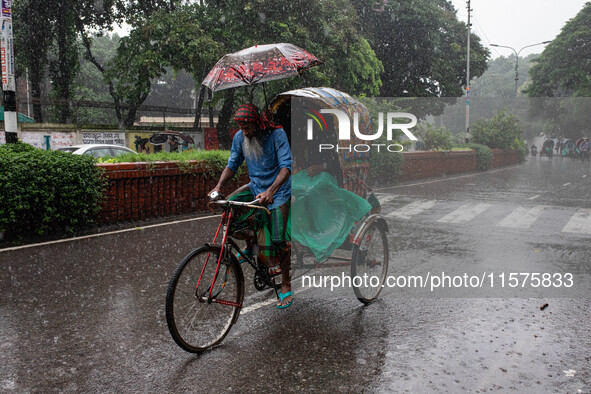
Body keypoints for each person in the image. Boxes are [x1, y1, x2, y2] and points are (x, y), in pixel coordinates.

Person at [209, 103, 293, 308]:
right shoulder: (240, 138)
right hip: (255, 186)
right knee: (230, 213)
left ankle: (286, 284)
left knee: (278, 239)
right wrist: (218, 187)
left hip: (278, 190)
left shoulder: (277, 135)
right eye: (241, 127)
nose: (244, 132)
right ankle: (251, 244)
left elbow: (286, 167)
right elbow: (232, 164)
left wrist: (271, 191)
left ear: (256, 123)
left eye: (247, 127)